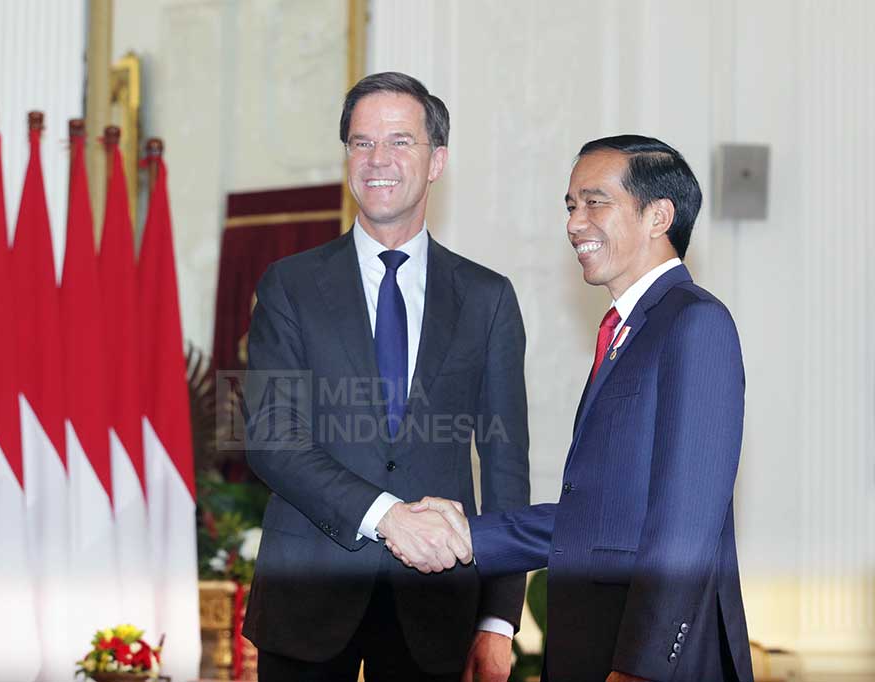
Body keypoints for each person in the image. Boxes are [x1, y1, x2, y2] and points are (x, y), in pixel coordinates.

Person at [410, 136, 754, 681]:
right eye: (571, 205)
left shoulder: (695, 323)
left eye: (595, 202)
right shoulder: (627, 331)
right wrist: (469, 535)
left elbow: (685, 524)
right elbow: (598, 518)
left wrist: (641, 667)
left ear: (657, 216)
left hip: (645, 661)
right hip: (594, 646)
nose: (574, 223)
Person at [240, 71, 531, 681]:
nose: (378, 160)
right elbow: (272, 440)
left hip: (438, 608)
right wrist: (388, 516)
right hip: (307, 603)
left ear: (436, 161)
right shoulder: (289, 286)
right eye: (361, 142)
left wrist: (499, 620)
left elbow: (505, 464)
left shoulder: (488, 298)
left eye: (400, 141)